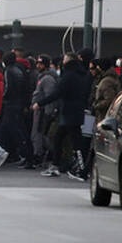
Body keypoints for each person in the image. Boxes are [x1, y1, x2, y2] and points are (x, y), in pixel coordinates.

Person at [33, 52, 93, 180]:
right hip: (77, 110)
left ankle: (81, 169)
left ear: (69, 61)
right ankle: (58, 165)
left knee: (74, 141)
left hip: (68, 111)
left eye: (65, 59)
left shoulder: (69, 75)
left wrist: (40, 103)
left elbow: (58, 92)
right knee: (60, 138)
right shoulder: (83, 74)